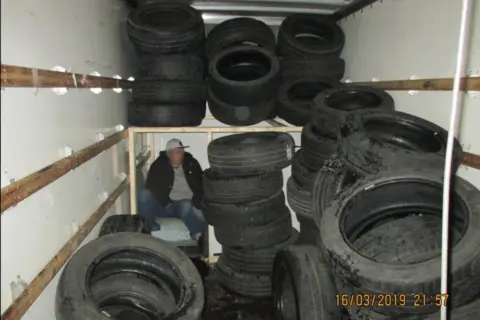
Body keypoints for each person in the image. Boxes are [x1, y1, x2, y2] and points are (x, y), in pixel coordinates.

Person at [138, 138, 205, 242]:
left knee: (186, 205)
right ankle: (147, 229)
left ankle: (198, 236)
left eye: (182, 151)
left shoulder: (191, 163)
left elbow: (202, 183)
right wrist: (166, 202)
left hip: (187, 204)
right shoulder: (159, 166)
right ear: (169, 154)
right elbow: (151, 187)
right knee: (144, 195)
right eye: (177, 151)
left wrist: (198, 202)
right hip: (166, 205)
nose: (181, 154)